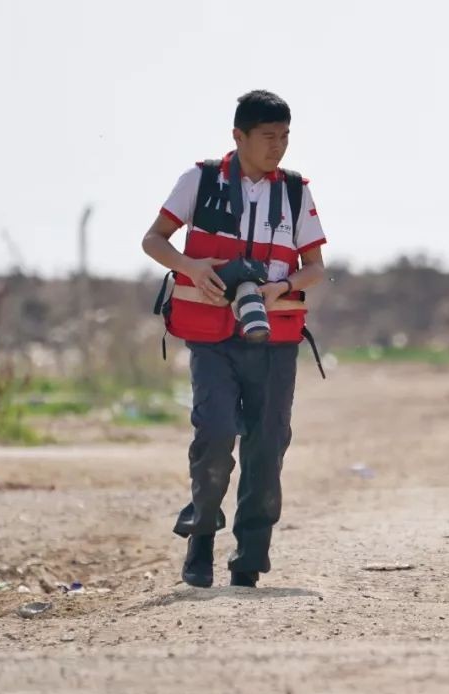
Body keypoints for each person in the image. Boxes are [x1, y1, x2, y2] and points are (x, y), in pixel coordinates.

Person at [141, 90, 327, 588]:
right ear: (238, 136)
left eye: (285, 136)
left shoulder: (293, 192)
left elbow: (315, 269)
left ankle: (249, 559)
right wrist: (190, 265)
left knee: (267, 447)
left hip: (274, 338)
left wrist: (279, 287)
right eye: (269, 137)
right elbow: (153, 239)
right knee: (216, 435)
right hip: (211, 339)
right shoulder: (199, 180)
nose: (278, 147)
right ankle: (200, 537)